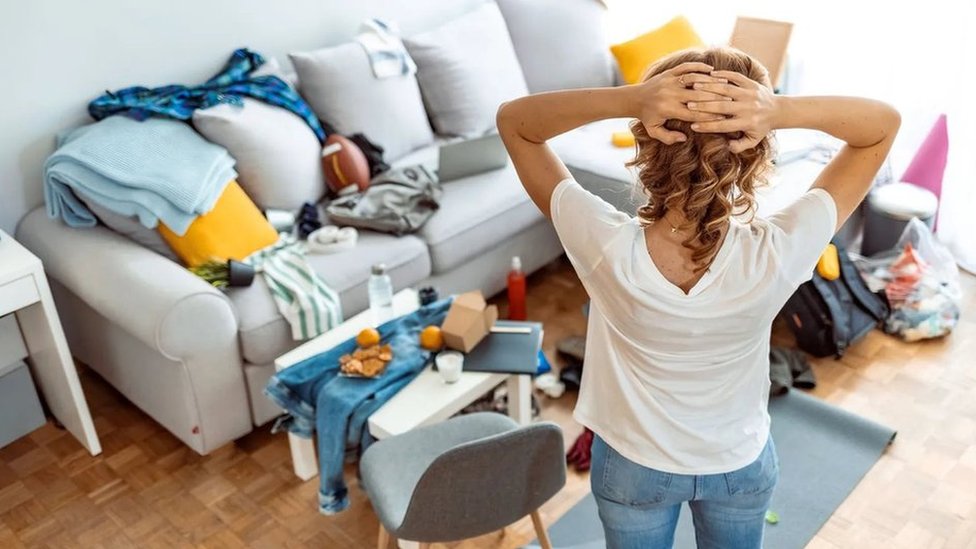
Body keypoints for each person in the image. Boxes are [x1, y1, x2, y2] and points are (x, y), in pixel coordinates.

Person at [496, 47, 900, 549]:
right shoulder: (778, 252)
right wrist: (779, 110)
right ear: (754, 148)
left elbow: (515, 122)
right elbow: (882, 125)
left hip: (632, 468)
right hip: (739, 466)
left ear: (648, 139)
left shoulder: (602, 243)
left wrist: (630, 98)